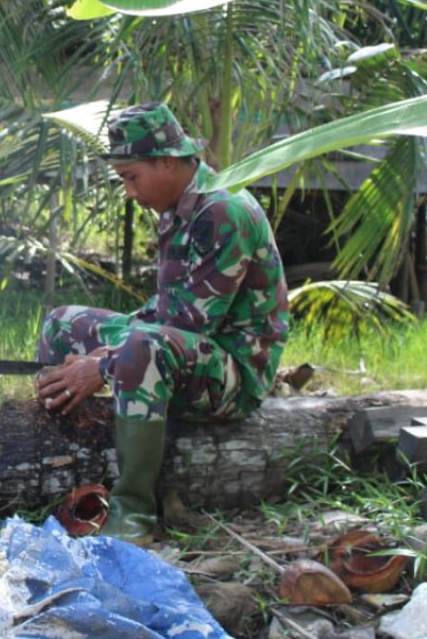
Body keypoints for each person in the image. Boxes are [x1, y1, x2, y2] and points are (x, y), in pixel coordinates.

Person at [35, 103, 289, 544]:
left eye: (132, 177)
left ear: (168, 162)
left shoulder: (222, 211)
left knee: (141, 348)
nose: (130, 192)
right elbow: (167, 310)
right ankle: (56, 452)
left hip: (233, 373)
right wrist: (108, 350)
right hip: (181, 345)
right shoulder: (180, 207)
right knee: (62, 323)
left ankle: (134, 512)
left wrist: (102, 365)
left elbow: (194, 325)